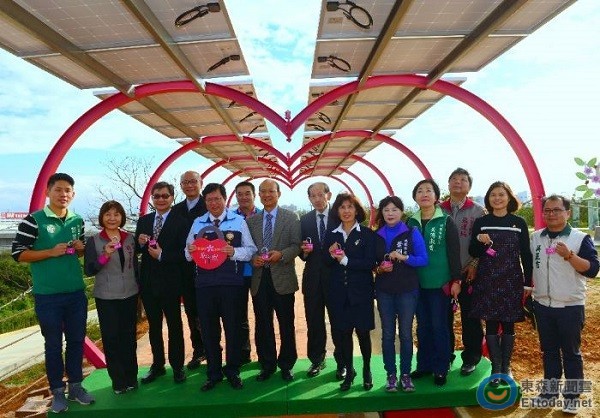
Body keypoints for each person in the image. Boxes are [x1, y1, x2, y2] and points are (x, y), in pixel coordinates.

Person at [12, 173, 95, 413]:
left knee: (77, 341)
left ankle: (76, 387)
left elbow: (77, 253)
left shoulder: (77, 220)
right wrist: (50, 252)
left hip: (76, 293)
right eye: (58, 189)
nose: (63, 194)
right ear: (48, 192)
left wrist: (80, 249)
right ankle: (58, 391)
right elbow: (18, 254)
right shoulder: (33, 221)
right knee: (53, 345)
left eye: (67, 190)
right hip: (48, 296)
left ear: (73, 194)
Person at [530, 195, 599, 414]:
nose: (551, 214)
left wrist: (569, 255)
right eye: (547, 210)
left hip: (570, 306)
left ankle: (572, 397)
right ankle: (549, 393)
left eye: (557, 210)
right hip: (543, 306)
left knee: (571, 353)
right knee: (549, 351)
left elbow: (592, 269)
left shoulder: (579, 238)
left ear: (567, 213)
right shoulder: (536, 238)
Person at [185, 183, 257, 391]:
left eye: (217, 199)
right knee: (209, 331)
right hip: (205, 285)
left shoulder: (238, 221)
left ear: (225, 200)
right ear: (205, 202)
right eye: (209, 200)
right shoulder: (198, 223)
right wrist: (191, 250)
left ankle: (233, 370)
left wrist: (233, 252)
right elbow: (187, 254)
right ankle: (213, 373)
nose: (214, 203)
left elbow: (250, 250)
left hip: (231, 284)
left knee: (233, 329)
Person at [469, 181, 533, 387]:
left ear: (509, 198)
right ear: (488, 199)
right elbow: (473, 251)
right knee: (490, 322)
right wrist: (481, 241)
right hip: (487, 279)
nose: (497, 198)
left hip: (511, 279)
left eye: (501, 194)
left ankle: (506, 367)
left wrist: (528, 282)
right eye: (493, 195)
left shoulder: (518, 222)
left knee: (508, 323)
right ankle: (495, 368)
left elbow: (526, 254)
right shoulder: (481, 222)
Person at [406, 179, 461, 387]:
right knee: (422, 326)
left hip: (440, 284)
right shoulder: (410, 222)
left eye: (429, 190)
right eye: (420, 191)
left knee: (440, 326)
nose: (424, 194)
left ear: (436, 196)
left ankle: (441, 367)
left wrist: (456, 280)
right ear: (415, 197)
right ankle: (424, 365)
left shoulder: (446, 221)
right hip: (416, 283)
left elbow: (454, 253)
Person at [246, 179, 301, 382]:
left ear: (279, 193)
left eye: (271, 191)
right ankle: (267, 364)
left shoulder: (291, 217)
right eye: (263, 191)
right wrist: (253, 258)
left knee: (286, 323)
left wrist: (282, 254)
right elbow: (248, 248)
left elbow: (297, 245)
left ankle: (287, 364)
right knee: (263, 324)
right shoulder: (251, 221)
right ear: (258, 195)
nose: (267, 195)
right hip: (260, 279)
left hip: (283, 278)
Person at [135, 181, 188, 385]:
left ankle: (177, 366)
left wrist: (162, 255)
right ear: (152, 198)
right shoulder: (144, 221)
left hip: (171, 282)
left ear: (172, 197)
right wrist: (140, 243)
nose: (161, 199)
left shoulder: (182, 222)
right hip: (149, 282)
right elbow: (137, 250)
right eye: (156, 196)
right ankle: (157, 365)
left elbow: (185, 254)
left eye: (165, 196)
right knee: (154, 326)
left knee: (174, 326)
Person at [84, 200, 139, 394]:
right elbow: (90, 269)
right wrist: (105, 255)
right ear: (102, 217)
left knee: (129, 337)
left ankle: (131, 377)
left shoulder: (129, 238)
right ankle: (118, 380)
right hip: (106, 297)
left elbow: (135, 266)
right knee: (111, 338)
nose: (112, 218)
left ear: (122, 217)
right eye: (108, 214)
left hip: (130, 294)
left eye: (116, 214)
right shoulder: (94, 241)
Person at [374, 196, 428, 392]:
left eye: (394, 210)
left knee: (405, 334)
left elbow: (423, 259)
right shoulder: (377, 235)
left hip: (407, 290)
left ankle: (405, 374)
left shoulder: (412, 232)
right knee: (388, 334)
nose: (390, 213)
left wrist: (403, 257)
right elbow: (371, 264)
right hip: (384, 291)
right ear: (382, 213)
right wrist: (379, 269)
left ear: (401, 212)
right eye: (386, 210)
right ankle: (390, 374)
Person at [324, 193, 377, 392]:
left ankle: (367, 370)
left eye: (350, 207)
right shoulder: (332, 234)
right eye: (342, 207)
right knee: (344, 335)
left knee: (363, 333)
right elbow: (325, 262)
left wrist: (346, 260)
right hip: (339, 294)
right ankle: (349, 371)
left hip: (361, 293)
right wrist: (330, 254)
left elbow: (370, 263)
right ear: (337, 211)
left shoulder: (366, 233)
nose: (346, 211)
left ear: (356, 210)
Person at [439, 168, 486, 376]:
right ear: (448, 184)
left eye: (463, 179)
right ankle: (445, 356)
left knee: (471, 317)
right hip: (443, 274)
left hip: (469, 272)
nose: (458, 182)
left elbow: (484, 242)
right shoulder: (438, 209)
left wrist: (475, 263)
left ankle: (471, 357)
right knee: (443, 318)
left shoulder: (478, 211)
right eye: (454, 179)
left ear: (469, 186)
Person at [299, 182, 345, 380]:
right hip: (313, 279)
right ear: (309, 198)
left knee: (339, 321)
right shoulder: (305, 220)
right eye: (313, 196)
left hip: (336, 278)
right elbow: (301, 252)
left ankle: (342, 362)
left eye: (320, 194)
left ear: (329, 195)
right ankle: (317, 360)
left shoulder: (340, 215)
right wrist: (304, 251)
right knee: (314, 322)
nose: (317, 199)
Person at [171, 171, 207, 370]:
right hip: (184, 269)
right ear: (181, 186)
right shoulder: (176, 210)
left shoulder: (209, 205)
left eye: (193, 181)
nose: (189, 185)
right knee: (192, 312)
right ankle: (198, 350)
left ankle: (215, 349)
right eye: (185, 182)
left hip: (209, 268)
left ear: (201, 183)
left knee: (210, 312)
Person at [234, 180, 261, 364]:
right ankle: (244, 354)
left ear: (254, 195)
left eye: (247, 193)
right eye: (240, 194)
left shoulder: (263, 216)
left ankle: (265, 356)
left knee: (262, 315)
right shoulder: (230, 217)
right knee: (239, 316)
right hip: (237, 274)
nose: (243, 197)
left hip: (259, 272)